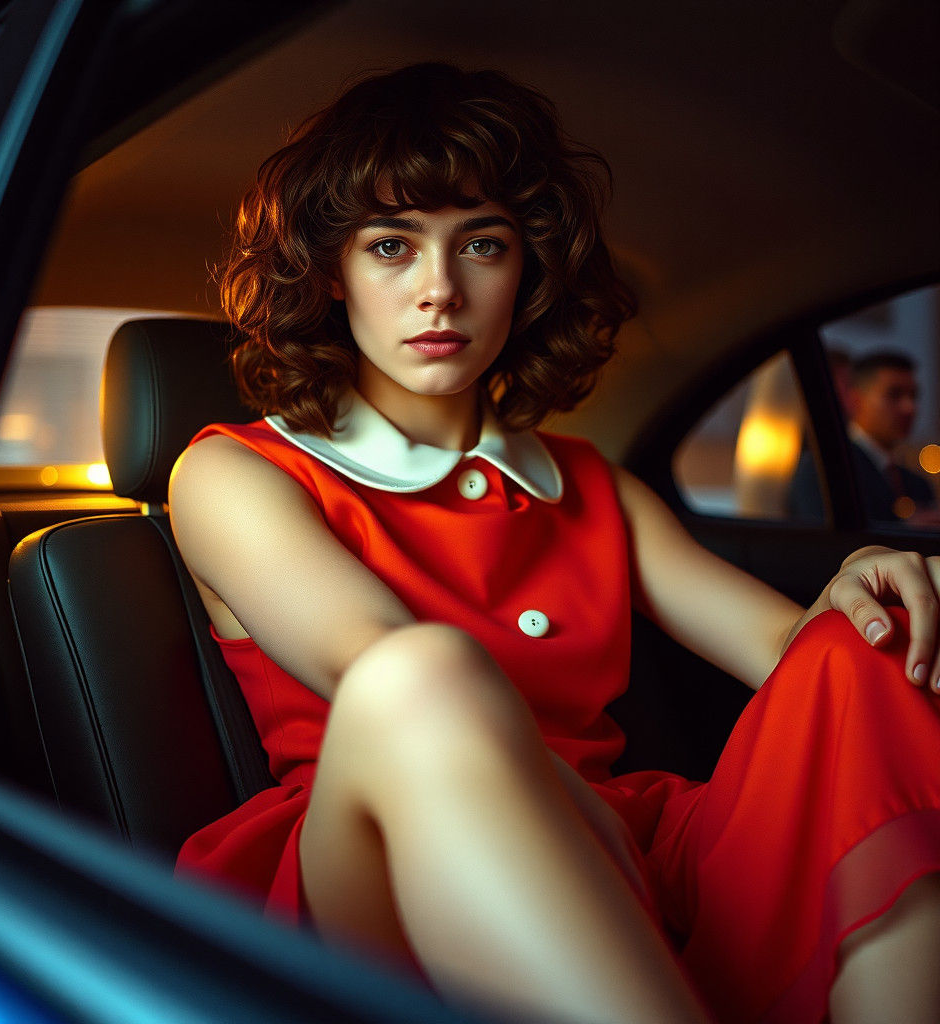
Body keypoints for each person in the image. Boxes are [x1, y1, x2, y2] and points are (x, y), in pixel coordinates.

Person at [169, 64, 940, 1024]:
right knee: (419, 675)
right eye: (391, 246)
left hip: (624, 838)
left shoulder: (588, 484)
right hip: (380, 855)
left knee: (874, 644)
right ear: (334, 273)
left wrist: (862, 586)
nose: (440, 290)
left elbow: (800, 663)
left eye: (481, 245)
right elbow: (377, 666)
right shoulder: (235, 473)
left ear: (525, 268)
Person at [789, 349, 938, 525]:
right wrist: (907, 529)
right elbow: (824, 538)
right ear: (855, 400)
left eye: (913, 395)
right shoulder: (824, 469)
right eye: (894, 394)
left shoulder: (917, 483)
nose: (909, 407)